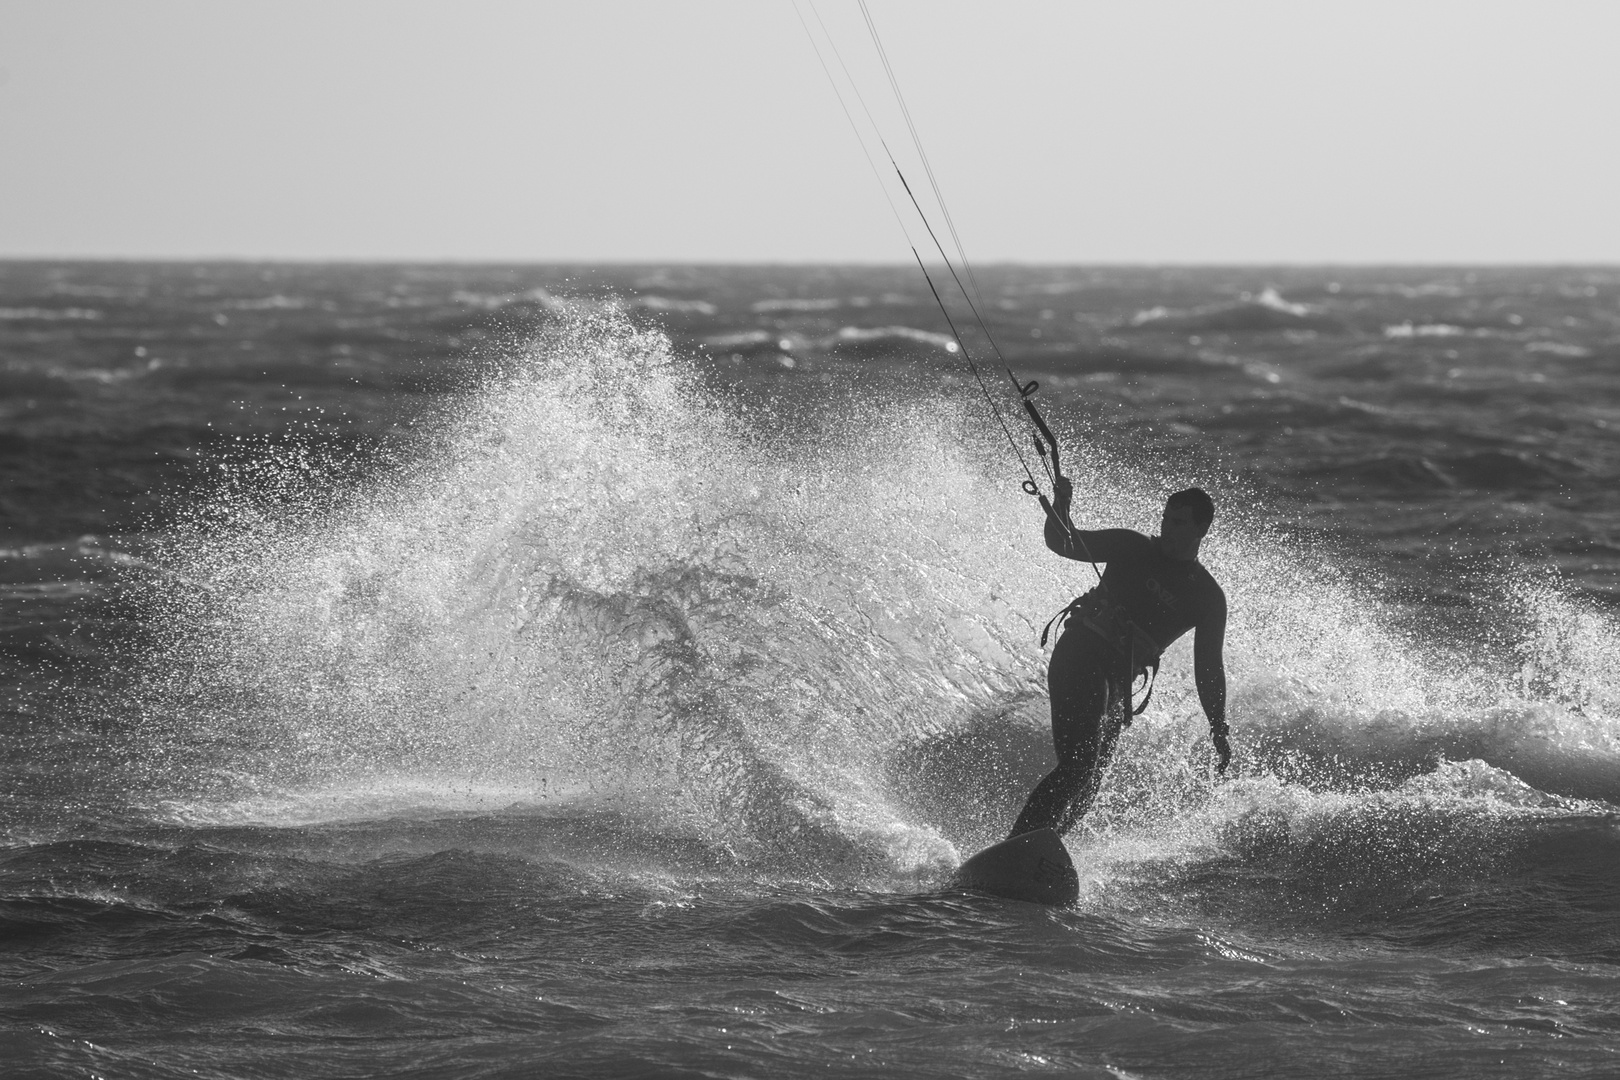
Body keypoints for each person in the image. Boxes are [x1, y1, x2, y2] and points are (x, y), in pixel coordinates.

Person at [1009, 480, 1229, 838]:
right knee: (1078, 766)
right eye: (1166, 519)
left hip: (1116, 687)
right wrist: (1061, 505)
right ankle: (1017, 846)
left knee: (1090, 784)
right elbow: (1062, 542)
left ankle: (1042, 852)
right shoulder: (1132, 546)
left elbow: (1208, 669)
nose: (1166, 529)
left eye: (1178, 523)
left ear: (1201, 529)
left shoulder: (1206, 597)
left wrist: (1218, 726)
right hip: (1080, 655)